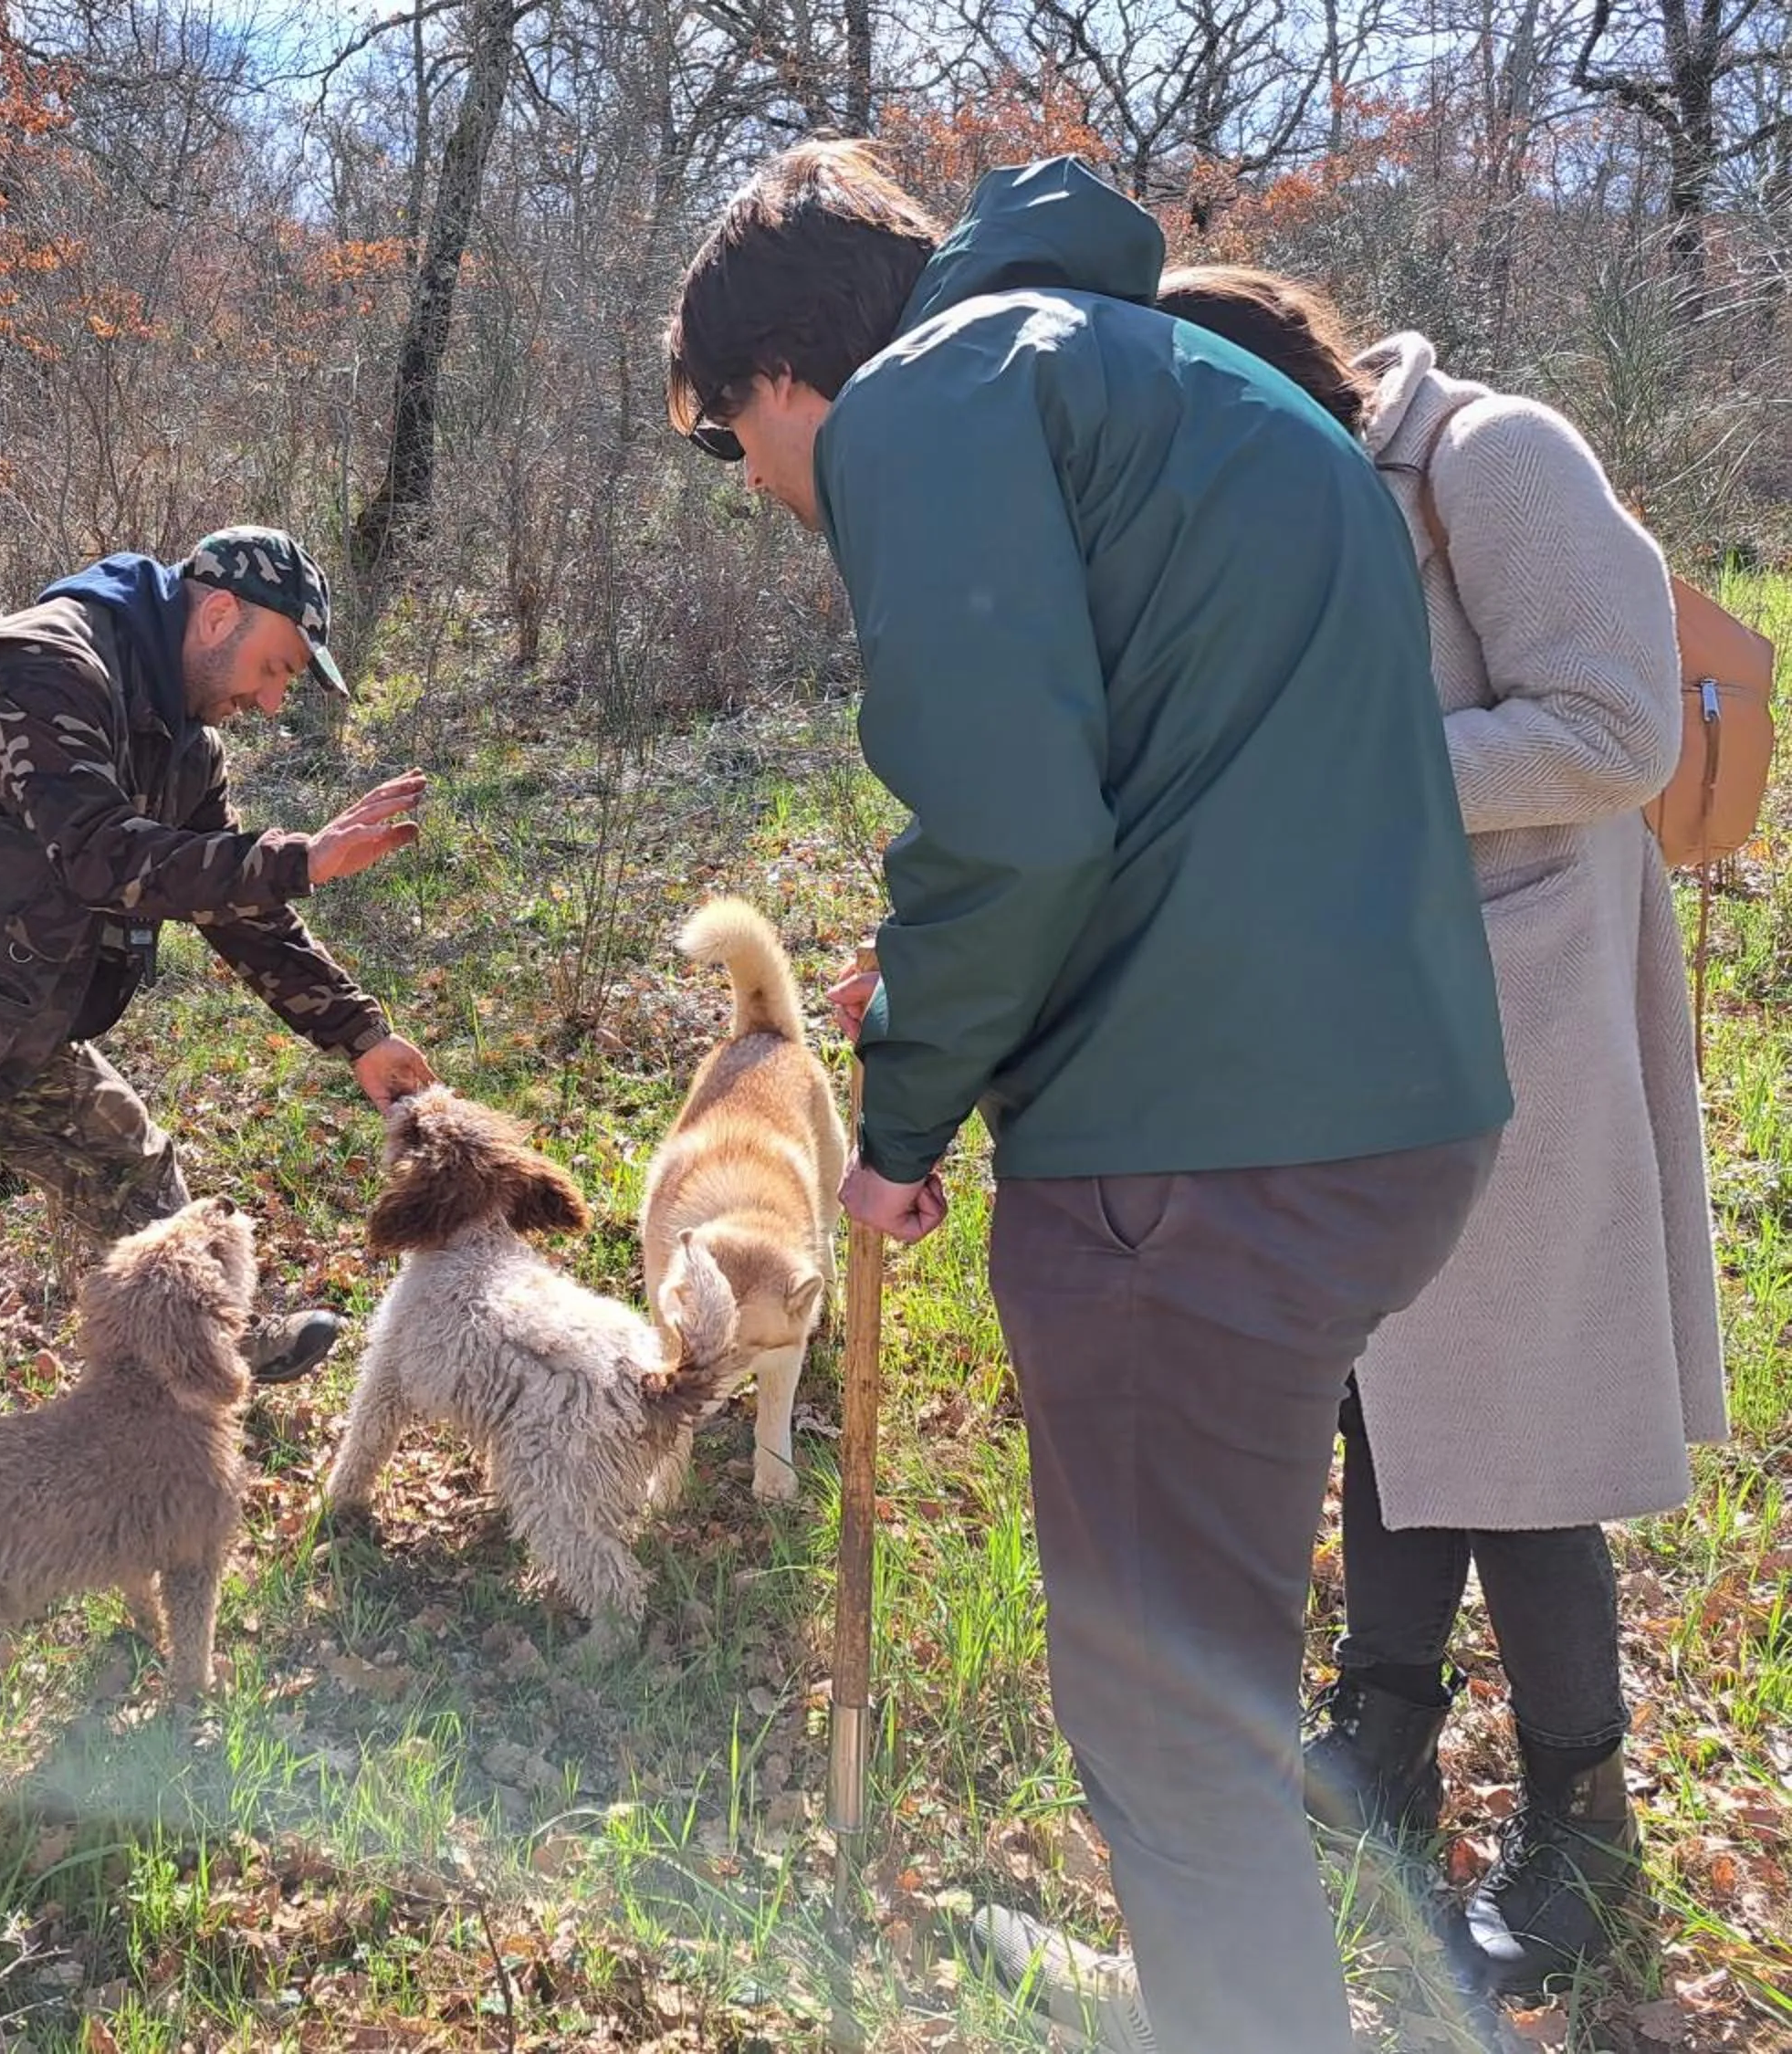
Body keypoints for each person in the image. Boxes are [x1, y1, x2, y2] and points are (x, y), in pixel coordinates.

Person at [666, 149, 1513, 2053]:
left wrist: (896, 1123)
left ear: (784, 373)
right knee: (1210, 1677)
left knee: (1166, 1722)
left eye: (733, 441)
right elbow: (1166, 795)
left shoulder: (933, 395)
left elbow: (1019, 835)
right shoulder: (1190, 380)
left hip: (1200, 1164)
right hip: (1385, 1115)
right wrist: (951, 989)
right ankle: (1220, 1991)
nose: (766, 485)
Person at [1156, 265, 1727, 1993]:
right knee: (1386, 1389)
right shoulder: (1290, 508)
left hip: (1523, 1006)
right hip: (1372, 1016)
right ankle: (1383, 1744)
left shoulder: (1498, 455)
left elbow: (1617, 730)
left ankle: (1585, 1835)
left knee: (1518, 1435)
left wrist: (1336, 762)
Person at [0, 526, 439, 1480]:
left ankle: (212, 1343)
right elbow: (99, 854)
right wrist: (300, 859)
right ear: (219, 614)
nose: (273, 701)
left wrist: (356, 1032)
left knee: (126, 1165)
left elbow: (232, 904)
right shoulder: (40, 668)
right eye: (276, 668)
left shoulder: (182, 747)